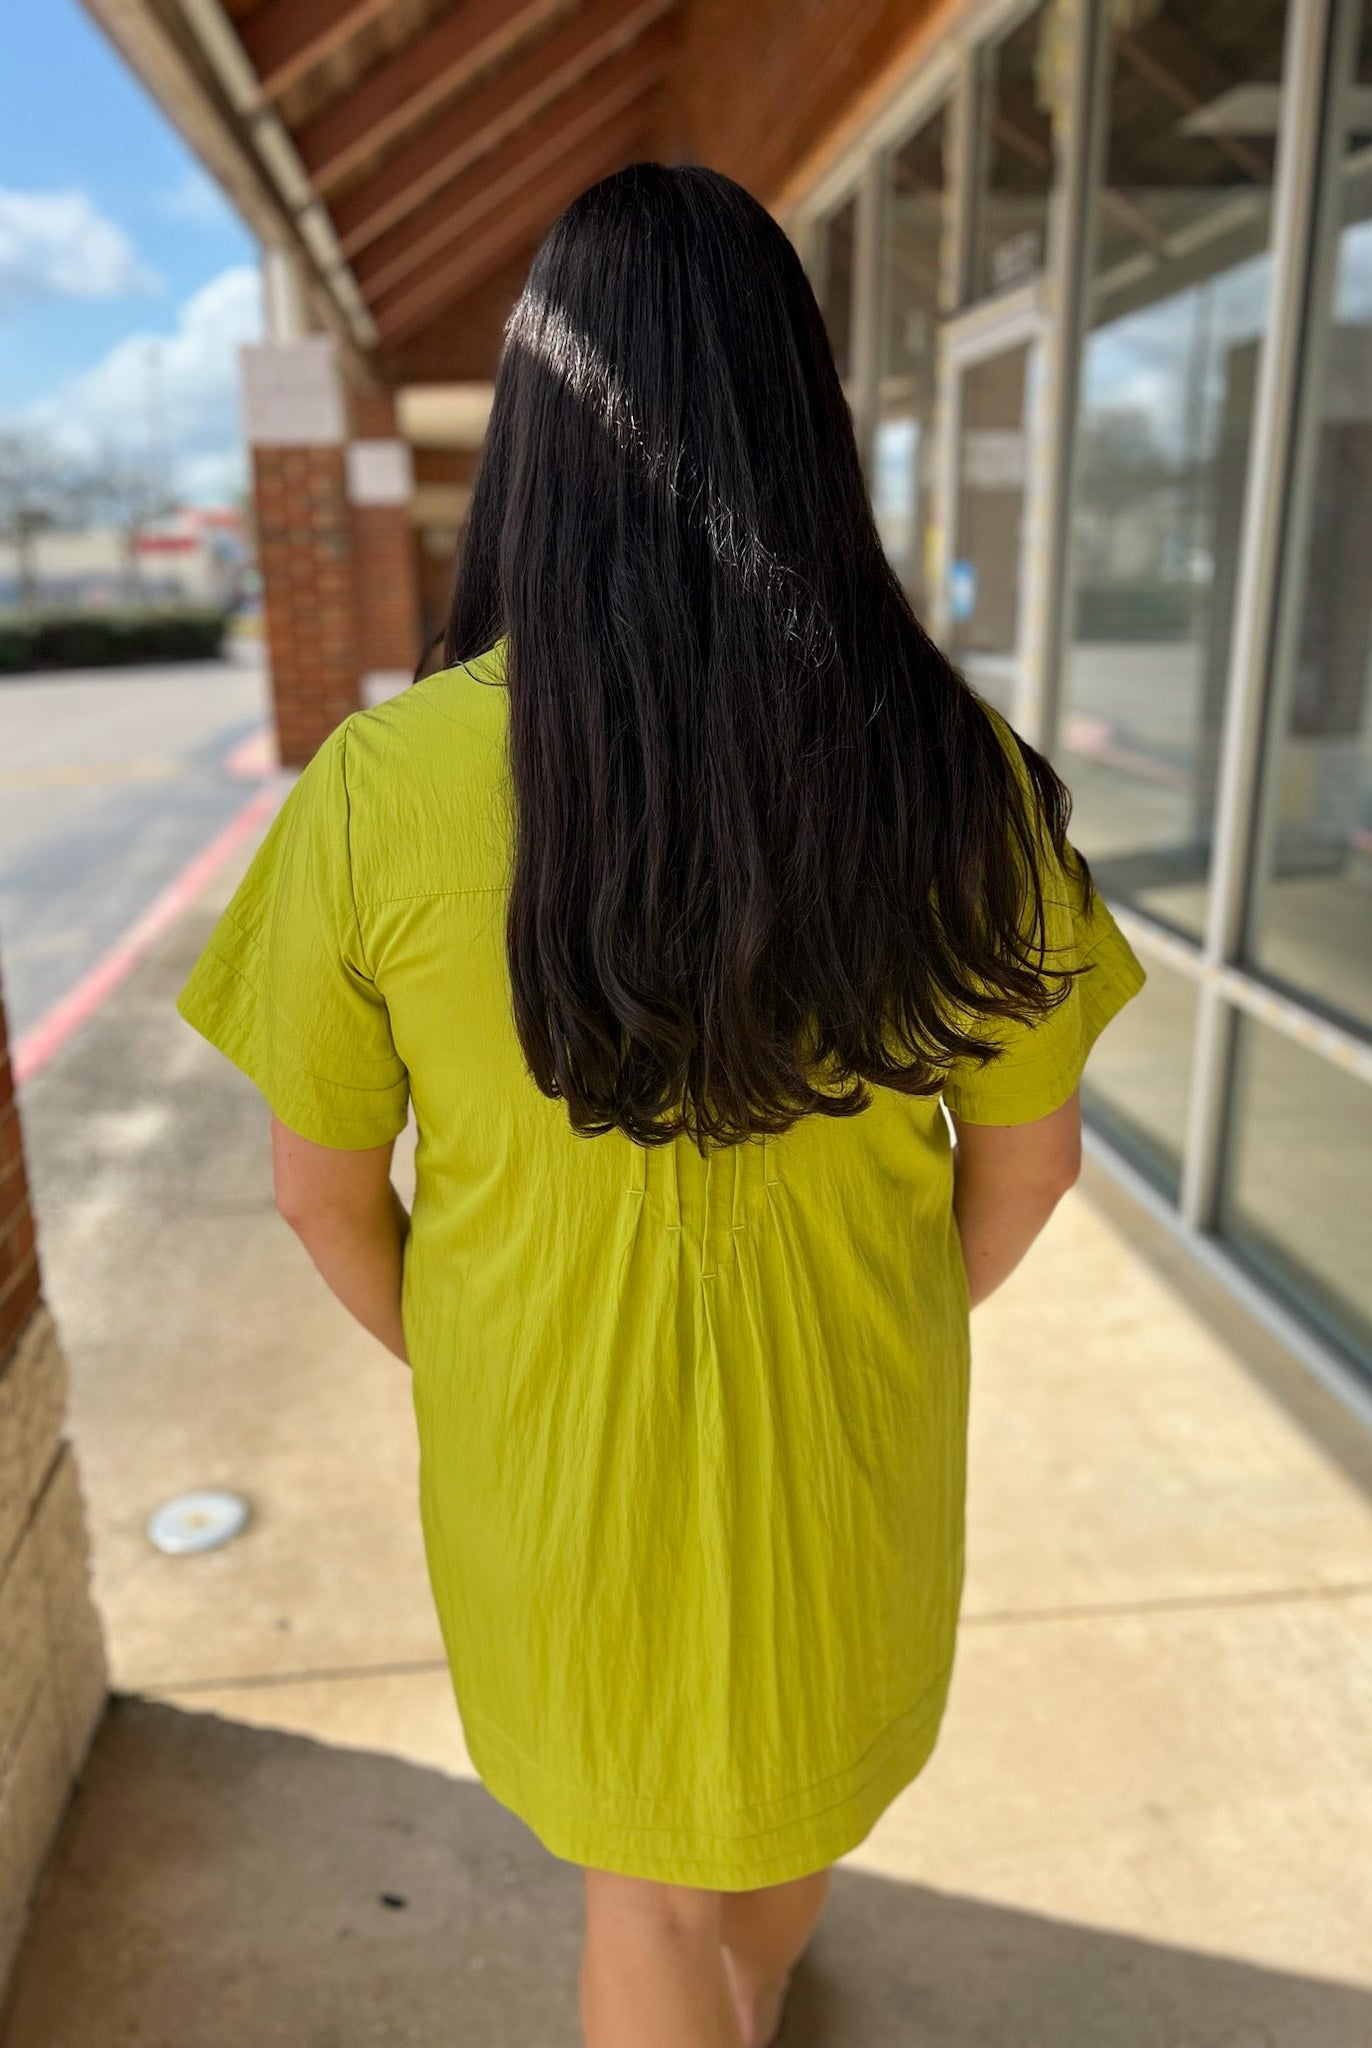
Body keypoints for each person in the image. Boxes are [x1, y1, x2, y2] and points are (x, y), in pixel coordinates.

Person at [176, 163, 1145, 2048]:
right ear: (805, 426)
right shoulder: (957, 774)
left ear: (534, 442)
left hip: (544, 1448)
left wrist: (479, 1352)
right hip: (850, 1428)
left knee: (641, 1877)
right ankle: (753, 1997)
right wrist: (884, 1320)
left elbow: (320, 1196)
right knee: (788, 1803)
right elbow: (1032, 1164)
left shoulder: (381, 787)